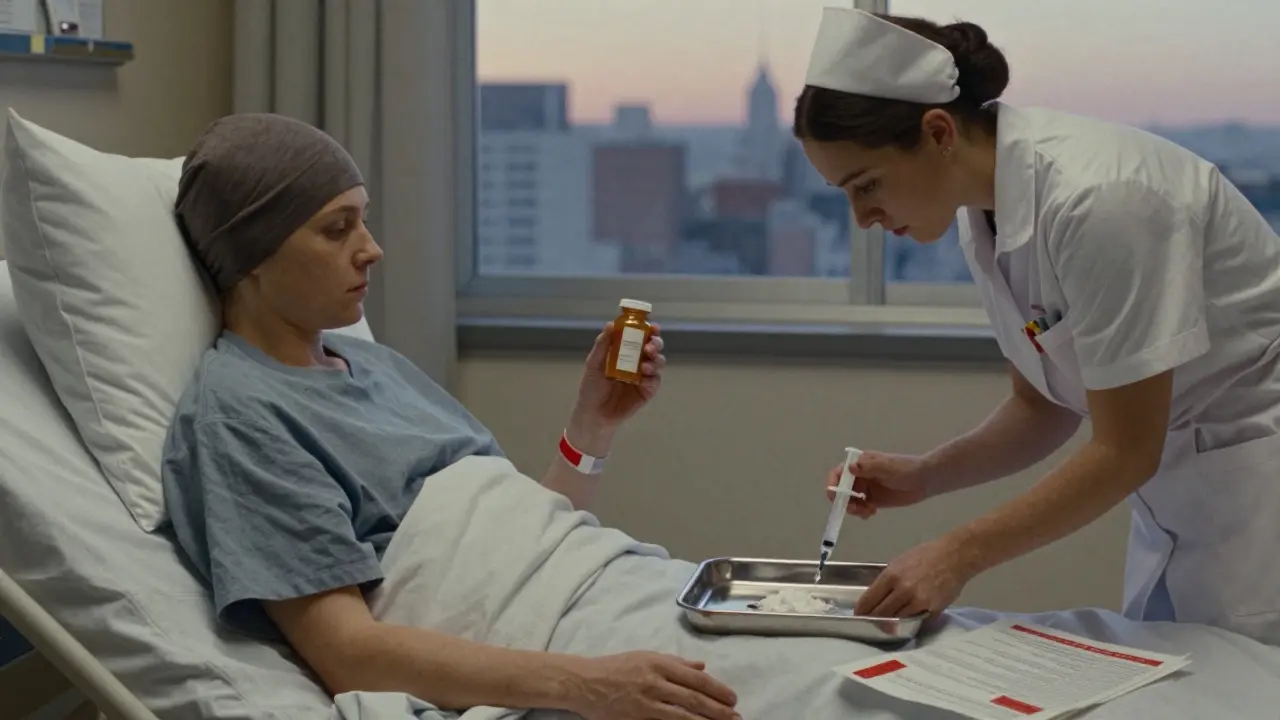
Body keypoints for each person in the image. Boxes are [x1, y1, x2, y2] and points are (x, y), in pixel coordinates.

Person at [159, 113, 904, 720]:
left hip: (612, 588)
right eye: (337, 228)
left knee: (887, 661)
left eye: (365, 222)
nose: (373, 249)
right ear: (251, 252)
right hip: (562, 647)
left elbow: (520, 545)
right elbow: (347, 652)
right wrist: (588, 685)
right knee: (851, 697)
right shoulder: (238, 416)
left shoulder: (372, 366)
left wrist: (593, 426)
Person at [796, 7, 1280, 646]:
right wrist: (925, 475)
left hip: (1257, 488)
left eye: (867, 185)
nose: (862, 218)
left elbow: (1124, 449)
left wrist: (958, 553)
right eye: (845, 194)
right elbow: (1043, 403)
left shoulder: (1101, 200)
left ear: (939, 132)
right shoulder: (985, 210)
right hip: (1186, 496)